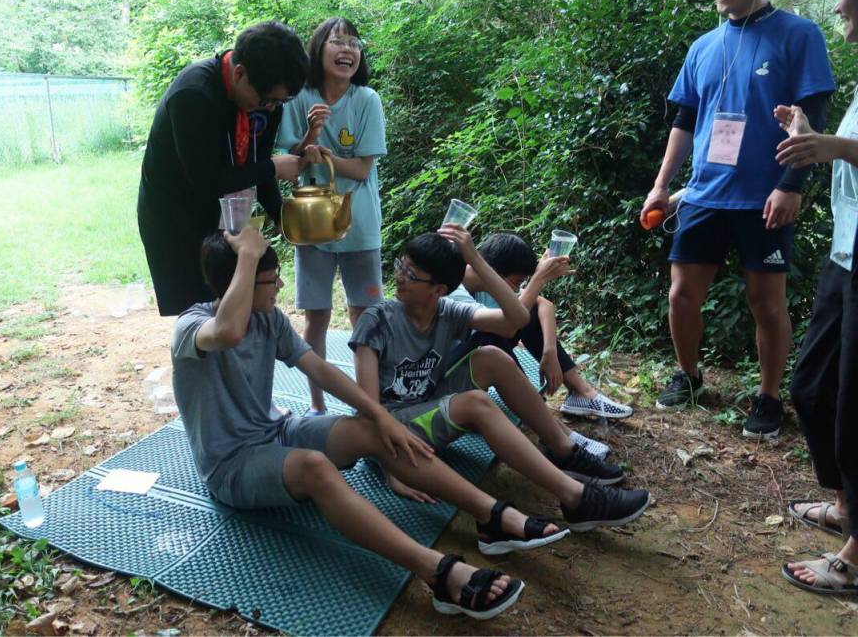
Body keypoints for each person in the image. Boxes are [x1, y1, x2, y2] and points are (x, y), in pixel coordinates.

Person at [173, 227, 560, 620]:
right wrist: (248, 257)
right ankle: (438, 571)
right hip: (232, 464)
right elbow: (227, 330)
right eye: (271, 280)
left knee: (374, 431)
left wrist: (380, 417)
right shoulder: (191, 326)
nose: (280, 286)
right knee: (315, 467)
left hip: (279, 431)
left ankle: (491, 516)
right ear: (240, 279)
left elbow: (321, 369)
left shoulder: (268, 319)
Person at [639, 0, 836, 440]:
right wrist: (662, 185)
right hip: (705, 194)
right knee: (682, 295)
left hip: (764, 197)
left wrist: (790, 185)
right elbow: (685, 122)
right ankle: (688, 376)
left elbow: (813, 115)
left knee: (766, 302)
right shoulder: (704, 46)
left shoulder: (799, 34)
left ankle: (768, 398)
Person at [349, 225, 651, 531]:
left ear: (438, 290)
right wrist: (393, 467)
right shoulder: (377, 321)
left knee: (492, 356)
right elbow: (368, 411)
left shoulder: (447, 311)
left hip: (428, 409)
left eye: (412, 274)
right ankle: (577, 499)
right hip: (395, 431)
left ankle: (564, 450)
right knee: (476, 403)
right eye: (402, 266)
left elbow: (516, 320)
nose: (400, 277)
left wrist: (475, 258)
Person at [138, 21, 315, 317]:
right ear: (239, 73)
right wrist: (271, 167)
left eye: (280, 102)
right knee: (200, 315)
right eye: (267, 100)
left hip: (228, 213)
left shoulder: (267, 102)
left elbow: (258, 164)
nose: (271, 109)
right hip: (176, 217)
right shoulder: (194, 94)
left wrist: (284, 221)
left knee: (242, 306)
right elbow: (206, 180)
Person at [776, 0, 858, 596]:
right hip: (846, 254)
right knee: (811, 387)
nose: (840, 4)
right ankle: (846, 504)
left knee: (854, 405)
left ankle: (856, 552)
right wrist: (812, 134)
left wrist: (828, 147)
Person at [276, 18, 387, 416]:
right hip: (313, 225)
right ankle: (317, 407)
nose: (348, 50)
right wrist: (310, 135)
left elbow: (361, 169)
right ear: (318, 50)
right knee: (317, 317)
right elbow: (289, 160)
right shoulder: (299, 99)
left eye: (354, 43)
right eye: (337, 42)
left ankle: (369, 405)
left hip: (360, 225)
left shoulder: (366, 100)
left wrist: (319, 154)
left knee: (366, 316)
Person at [451, 232, 634, 422]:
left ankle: (581, 392)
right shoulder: (456, 286)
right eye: (518, 282)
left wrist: (550, 352)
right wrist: (538, 279)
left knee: (528, 311)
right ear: (492, 272)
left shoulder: (490, 282)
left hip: (480, 360)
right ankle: (533, 404)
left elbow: (543, 305)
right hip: (453, 379)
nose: (516, 289)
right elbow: (508, 328)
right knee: (491, 335)